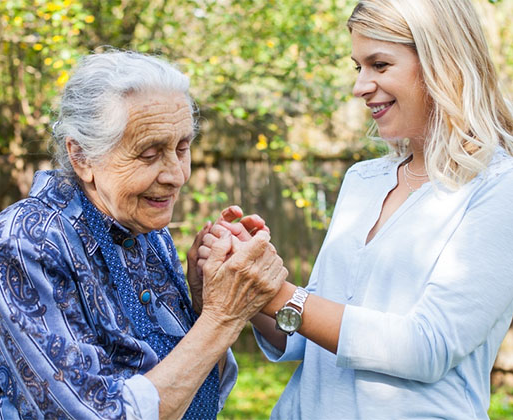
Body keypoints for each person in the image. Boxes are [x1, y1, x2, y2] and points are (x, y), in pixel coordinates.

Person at [198, 0, 513, 418]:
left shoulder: (497, 186)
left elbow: (427, 347)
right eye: (358, 67)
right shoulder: (363, 180)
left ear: (444, 63)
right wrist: (248, 282)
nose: (360, 86)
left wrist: (277, 292)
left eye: (379, 65)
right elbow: (306, 335)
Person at [0, 50, 288, 420]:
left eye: (182, 148)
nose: (176, 175)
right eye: (149, 153)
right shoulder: (24, 242)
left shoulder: (140, 228)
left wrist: (202, 302)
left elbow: (177, 387)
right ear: (81, 157)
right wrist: (222, 318)